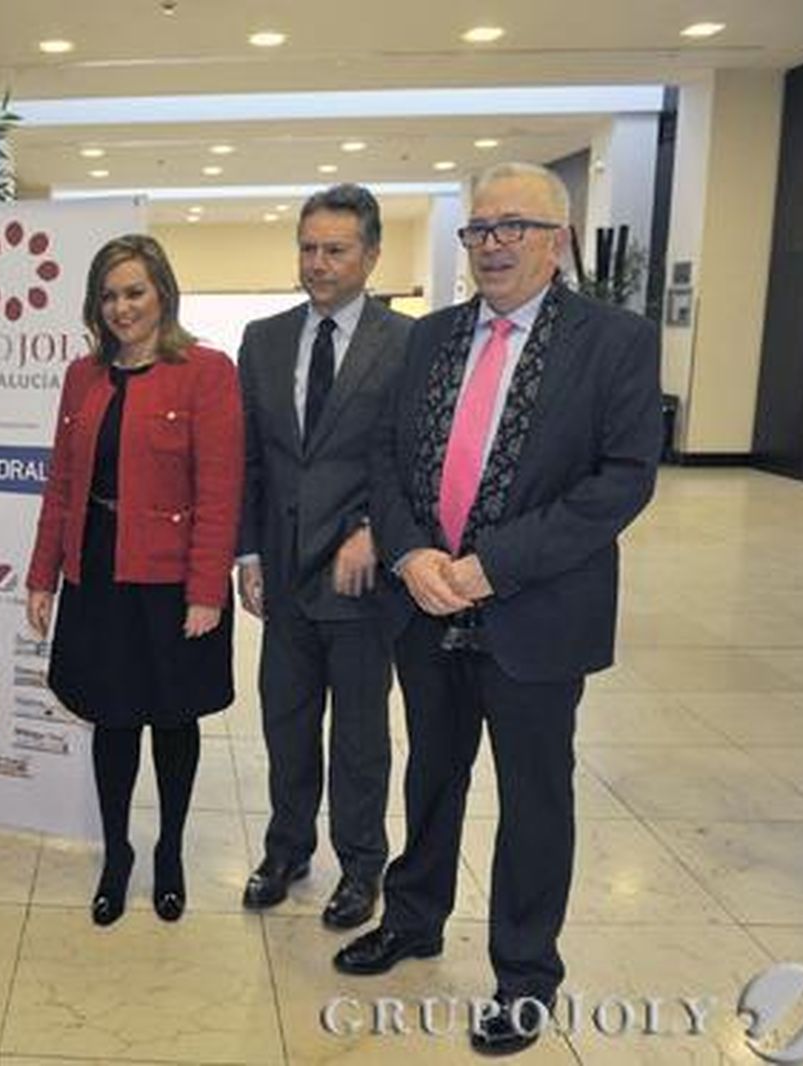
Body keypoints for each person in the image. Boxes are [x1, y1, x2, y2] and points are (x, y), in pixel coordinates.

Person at [332, 163, 661, 1056]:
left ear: (558, 241)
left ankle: (525, 975)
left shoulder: (615, 342)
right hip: (426, 606)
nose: (493, 243)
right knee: (432, 774)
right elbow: (387, 460)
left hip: (537, 616)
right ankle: (414, 917)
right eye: (480, 229)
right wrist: (409, 553)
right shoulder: (430, 338)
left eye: (515, 226)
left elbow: (622, 482)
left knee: (534, 797)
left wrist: (486, 569)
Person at [26, 234, 243, 926]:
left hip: (173, 580)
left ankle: (170, 852)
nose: (121, 307)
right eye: (109, 295)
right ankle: (117, 853)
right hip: (98, 574)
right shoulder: (82, 377)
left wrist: (207, 589)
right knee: (112, 718)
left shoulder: (207, 371)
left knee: (174, 720)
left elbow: (219, 491)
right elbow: (61, 485)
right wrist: (42, 576)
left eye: (134, 292)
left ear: (163, 295)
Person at [235, 184, 411, 926]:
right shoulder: (264, 338)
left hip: (360, 575)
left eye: (335, 250)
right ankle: (287, 848)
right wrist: (247, 552)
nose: (318, 263)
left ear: (371, 255)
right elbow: (250, 459)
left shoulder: (407, 342)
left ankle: (362, 866)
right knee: (286, 721)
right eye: (308, 248)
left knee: (361, 735)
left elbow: (414, 459)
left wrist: (377, 528)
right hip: (282, 570)